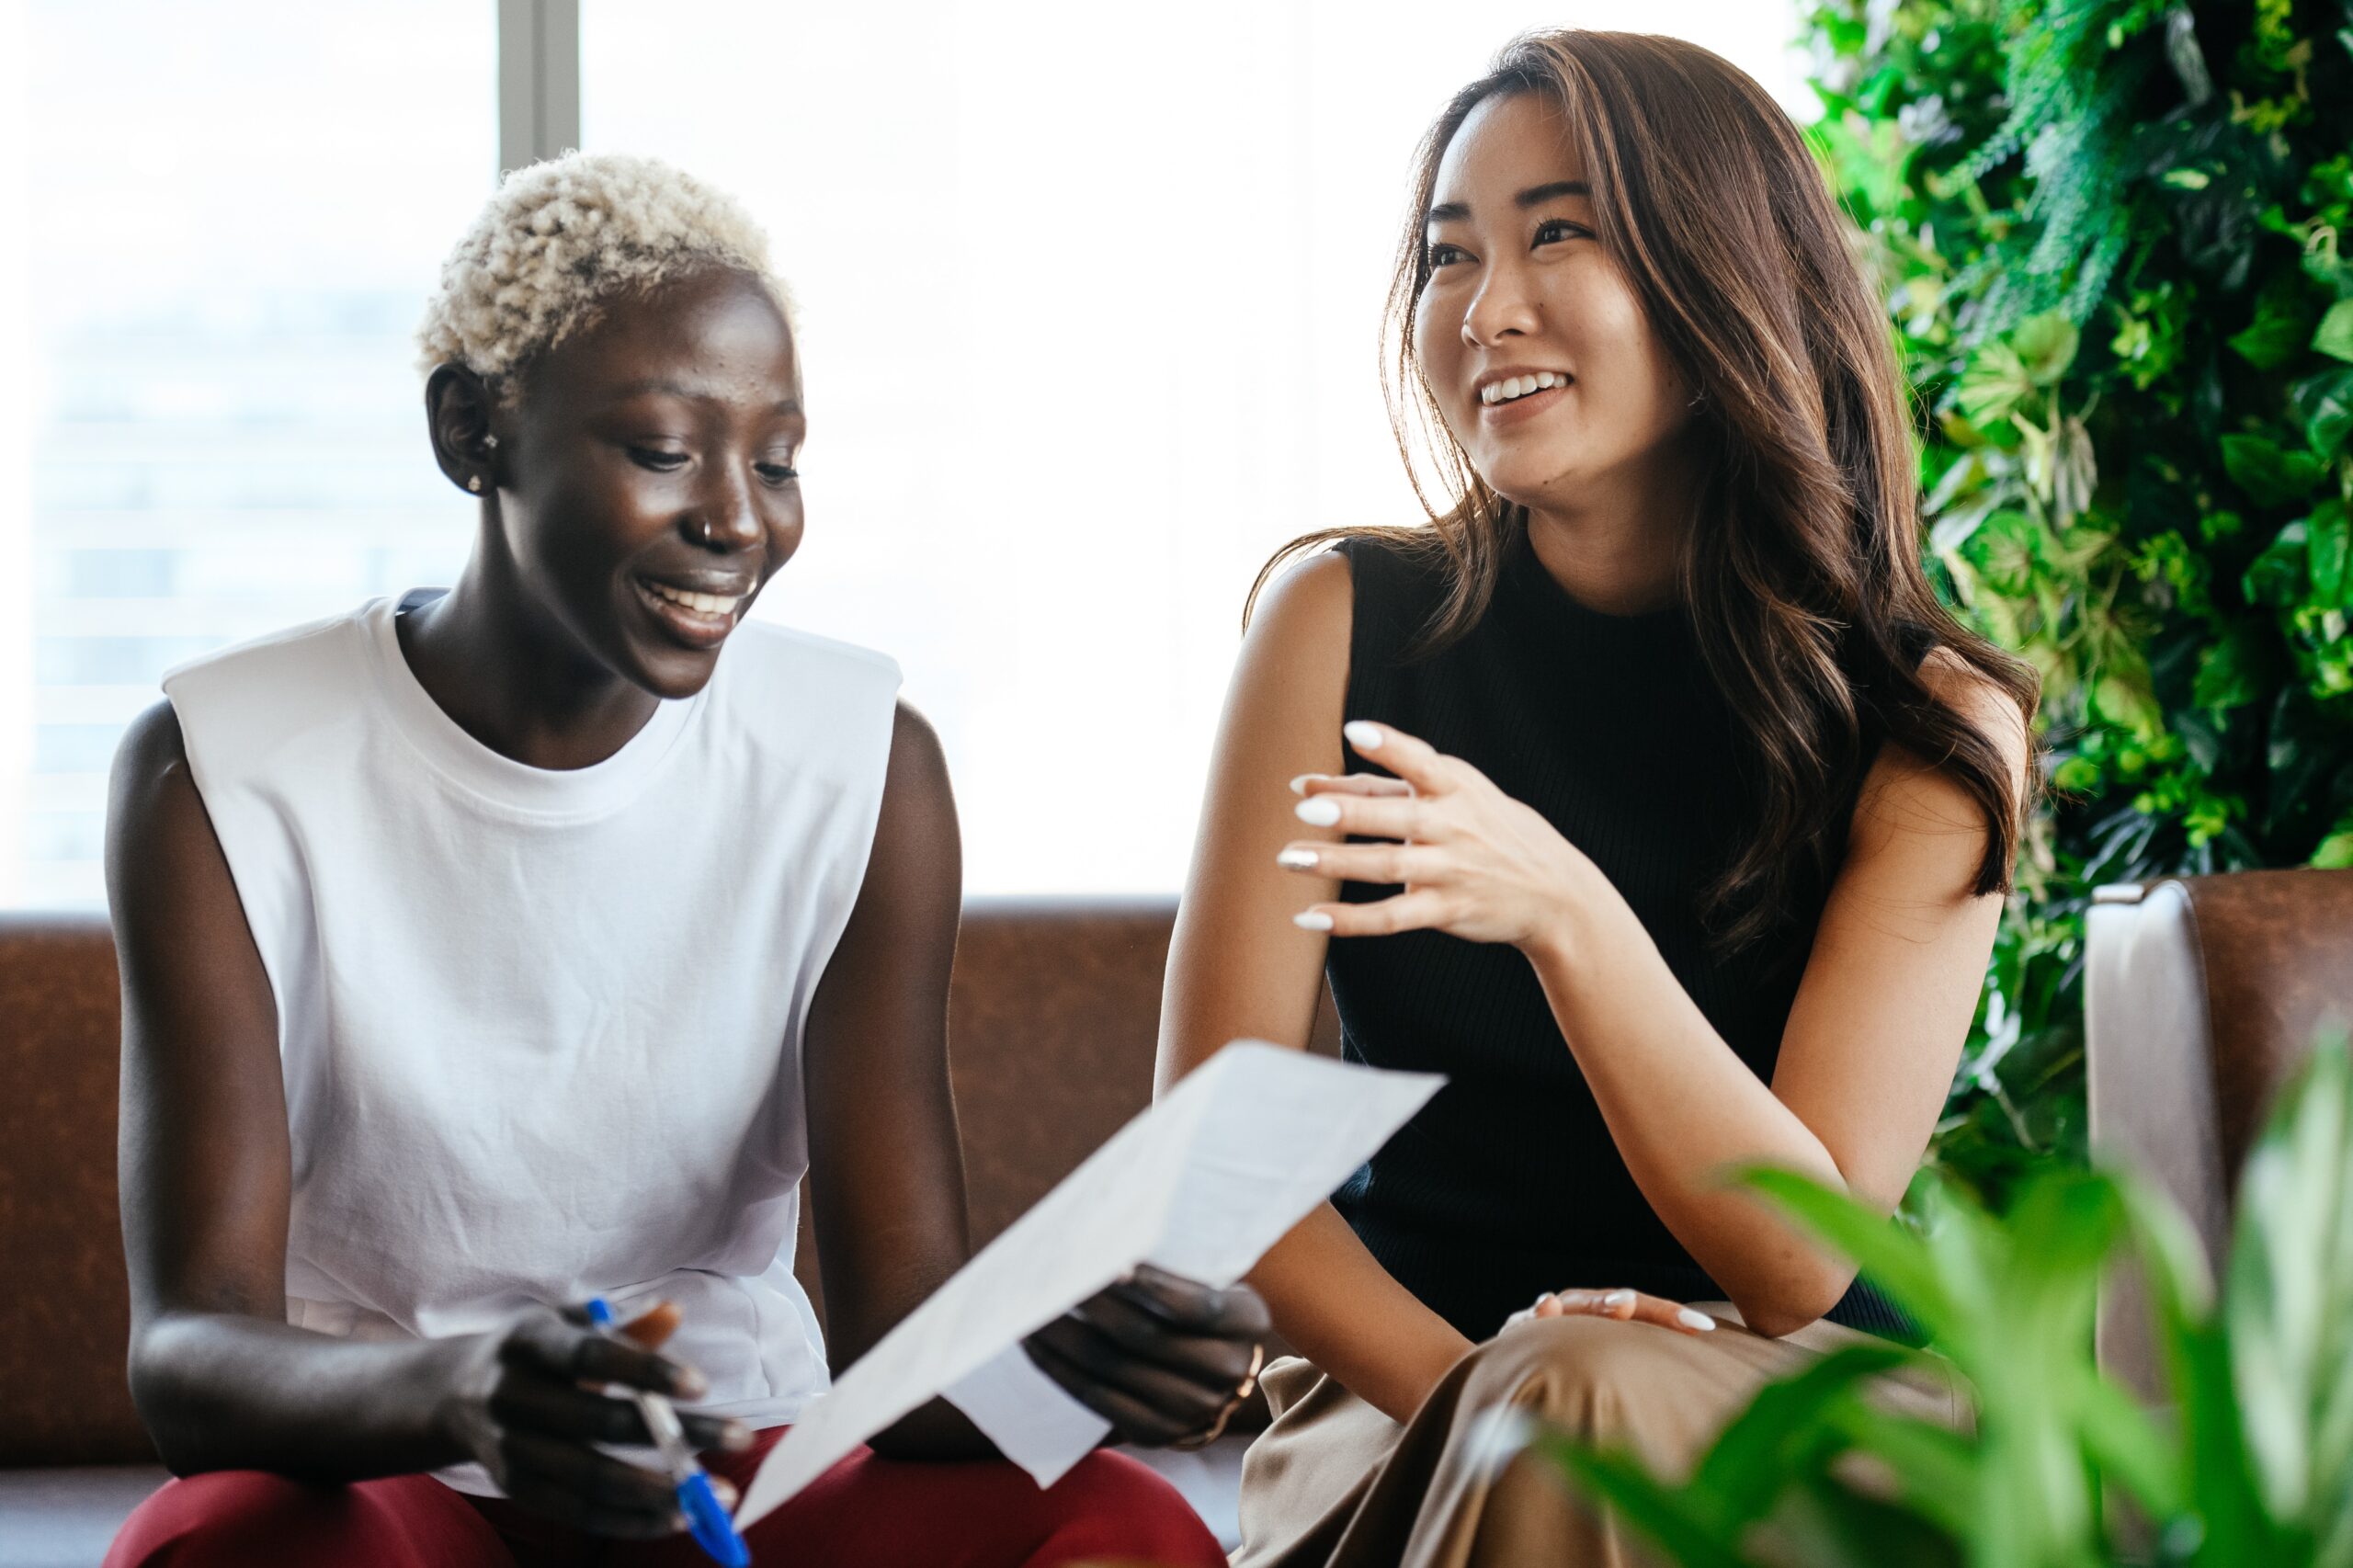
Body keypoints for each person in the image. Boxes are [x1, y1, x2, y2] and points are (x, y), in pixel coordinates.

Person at [103, 152, 1258, 1568]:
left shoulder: (863, 765)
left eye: (777, 461)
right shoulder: (217, 766)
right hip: (401, 1465)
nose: (739, 519)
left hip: (742, 1469)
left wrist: (1079, 1358)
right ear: (473, 431)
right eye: (663, 450)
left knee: (1117, 1526)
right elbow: (187, 1355)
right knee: (221, 1546)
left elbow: (904, 1336)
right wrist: (459, 1388)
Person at [1157, 29, 2032, 1568]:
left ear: (1722, 277)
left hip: (1803, 1393)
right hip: (1409, 1385)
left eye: (1558, 232)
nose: (1485, 309)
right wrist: (1490, 1410)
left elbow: (1793, 1258)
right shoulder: (1341, 625)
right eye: (1448, 255)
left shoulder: (1928, 720)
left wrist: (1565, 910)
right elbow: (1217, 1166)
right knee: (1556, 1410)